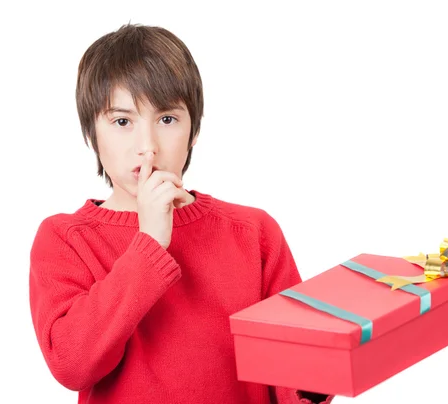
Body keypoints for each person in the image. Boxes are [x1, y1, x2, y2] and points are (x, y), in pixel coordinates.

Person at [28, 22, 334, 404]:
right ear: (92, 134)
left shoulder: (253, 232)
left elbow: (293, 379)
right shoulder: (66, 239)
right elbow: (72, 364)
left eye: (167, 120)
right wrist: (149, 244)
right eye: (122, 122)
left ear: (193, 132)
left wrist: (321, 373)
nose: (148, 147)